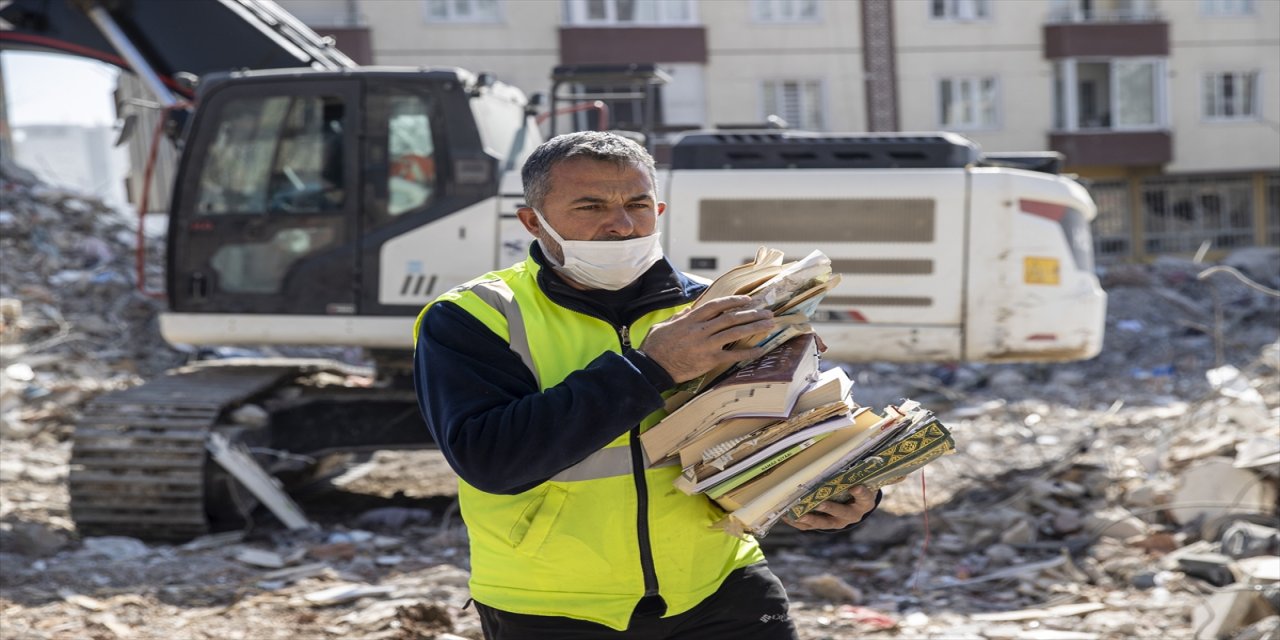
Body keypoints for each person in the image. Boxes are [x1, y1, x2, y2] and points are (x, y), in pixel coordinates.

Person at [413, 131, 880, 639]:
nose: (622, 225)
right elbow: (492, 459)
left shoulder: (716, 307)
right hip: (552, 605)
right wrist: (651, 368)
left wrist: (839, 486)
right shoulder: (475, 316)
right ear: (533, 221)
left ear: (658, 210)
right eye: (590, 206)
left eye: (637, 204)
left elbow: (793, 425)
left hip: (721, 585)